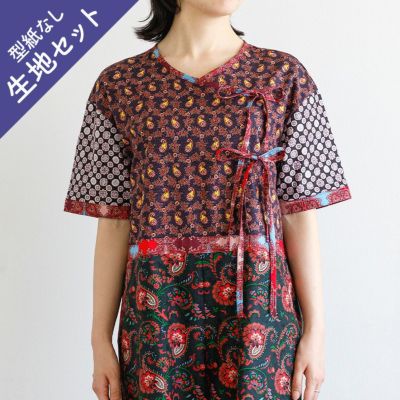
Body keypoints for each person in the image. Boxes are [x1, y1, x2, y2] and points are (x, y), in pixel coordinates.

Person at [63, 1, 352, 399]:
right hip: (156, 310)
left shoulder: (282, 75)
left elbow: (298, 214)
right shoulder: (120, 85)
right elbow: (113, 220)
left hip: (258, 310)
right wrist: (100, 341)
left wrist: (316, 331)